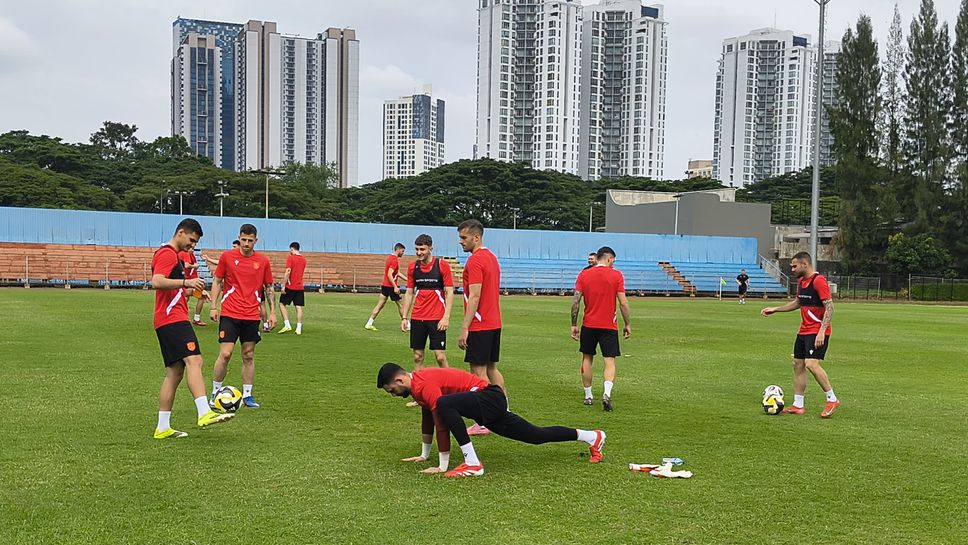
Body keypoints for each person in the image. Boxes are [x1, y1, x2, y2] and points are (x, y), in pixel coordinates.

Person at [377, 363, 606, 478]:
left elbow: (441, 422)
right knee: (536, 436)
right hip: (486, 404)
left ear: (400, 380)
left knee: (444, 405)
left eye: (391, 390)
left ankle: (473, 463)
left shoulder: (424, 384)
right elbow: (428, 419)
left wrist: (442, 465)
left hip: (489, 397)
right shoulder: (417, 388)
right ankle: (592, 437)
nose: (393, 395)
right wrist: (424, 454)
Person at [151, 218, 234, 439]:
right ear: (180, 232)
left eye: (195, 242)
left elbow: (172, 289)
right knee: (195, 360)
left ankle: (162, 427)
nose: (193, 245)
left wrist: (194, 291)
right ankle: (204, 412)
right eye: (191, 240)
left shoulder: (174, 256)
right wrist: (186, 283)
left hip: (166, 318)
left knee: (174, 373)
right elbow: (157, 281)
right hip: (173, 318)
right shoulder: (167, 254)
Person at [761, 252, 840, 418]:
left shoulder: (818, 281)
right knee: (798, 364)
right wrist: (776, 309)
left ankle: (832, 399)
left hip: (817, 331)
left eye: (794, 266)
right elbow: (798, 302)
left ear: (805, 264)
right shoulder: (802, 282)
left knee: (811, 364)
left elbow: (830, 307)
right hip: (804, 330)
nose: (792, 269)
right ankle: (798, 404)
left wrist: (822, 331)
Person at [209, 224, 276, 409]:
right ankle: (215, 392)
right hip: (230, 312)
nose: (246, 244)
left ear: (256, 240)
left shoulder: (263, 261)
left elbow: (269, 287)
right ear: (239, 238)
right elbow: (217, 281)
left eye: (250, 240)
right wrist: (213, 306)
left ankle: (247, 395)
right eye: (243, 240)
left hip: (251, 314)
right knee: (225, 353)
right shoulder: (227, 257)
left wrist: (272, 312)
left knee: (248, 355)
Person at [457, 219, 503, 436]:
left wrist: (465, 327)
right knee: (492, 369)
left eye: (464, 237)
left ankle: (485, 421)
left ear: (476, 237)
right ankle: (503, 410)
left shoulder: (475, 261)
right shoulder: (492, 258)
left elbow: (475, 295)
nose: (461, 242)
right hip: (494, 322)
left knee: (478, 373)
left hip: (480, 324)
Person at [571, 246, 632, 411]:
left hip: (589, 324)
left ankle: (588, 396)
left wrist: (574, 324)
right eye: (613, 261)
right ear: (609, 258)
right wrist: (627, 324)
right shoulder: (616, 275)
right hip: (609, 326)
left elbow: (576, 301)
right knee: (609, 360)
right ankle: (606, 393)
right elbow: (623, 303)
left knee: (587, 358)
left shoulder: (584, 274)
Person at [401, 234, 454, 370]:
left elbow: (449, 292)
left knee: (440, 357)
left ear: (430, 249)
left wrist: (446, 317)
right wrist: (404, 317)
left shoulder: (442, 265)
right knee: (417, 356)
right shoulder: (412, 267)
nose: (419, 252)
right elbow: (409, 293)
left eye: (422, 249)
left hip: (437, 318)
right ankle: (418, 383)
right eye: (417, 249)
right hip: (418, 317)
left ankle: (450, 381)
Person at [365, 243, 406, 331]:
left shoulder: (389, 258)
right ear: (398, 250)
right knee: (400, 304)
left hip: (385, 285)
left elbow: (396, 272)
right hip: (391, 286)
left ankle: (369, 323)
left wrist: (407, 279)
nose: (403, 253)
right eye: (402, 251)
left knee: (380, 304)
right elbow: (389, 274)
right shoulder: (394, 260)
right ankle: (407, 324)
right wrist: (395, 287)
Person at [278, 241, 308, 335]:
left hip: (290, 286)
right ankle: (298, 328)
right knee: (298, 306)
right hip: (300, 286)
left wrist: (283, 284)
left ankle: (287, 324)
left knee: (282, 304)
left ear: (291, 249)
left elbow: (288, 271)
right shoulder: (303, 260)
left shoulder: (291, 258)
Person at [179, 242, 208, 326]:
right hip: (188, 282)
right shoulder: (186, 253)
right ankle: (196, 318)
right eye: (191, 248)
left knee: (185, 298)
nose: (192, 249)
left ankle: (181, 317)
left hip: (188, 281)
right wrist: (195, 266)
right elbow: (187, 265)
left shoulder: (190, 254)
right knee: (201, 296)